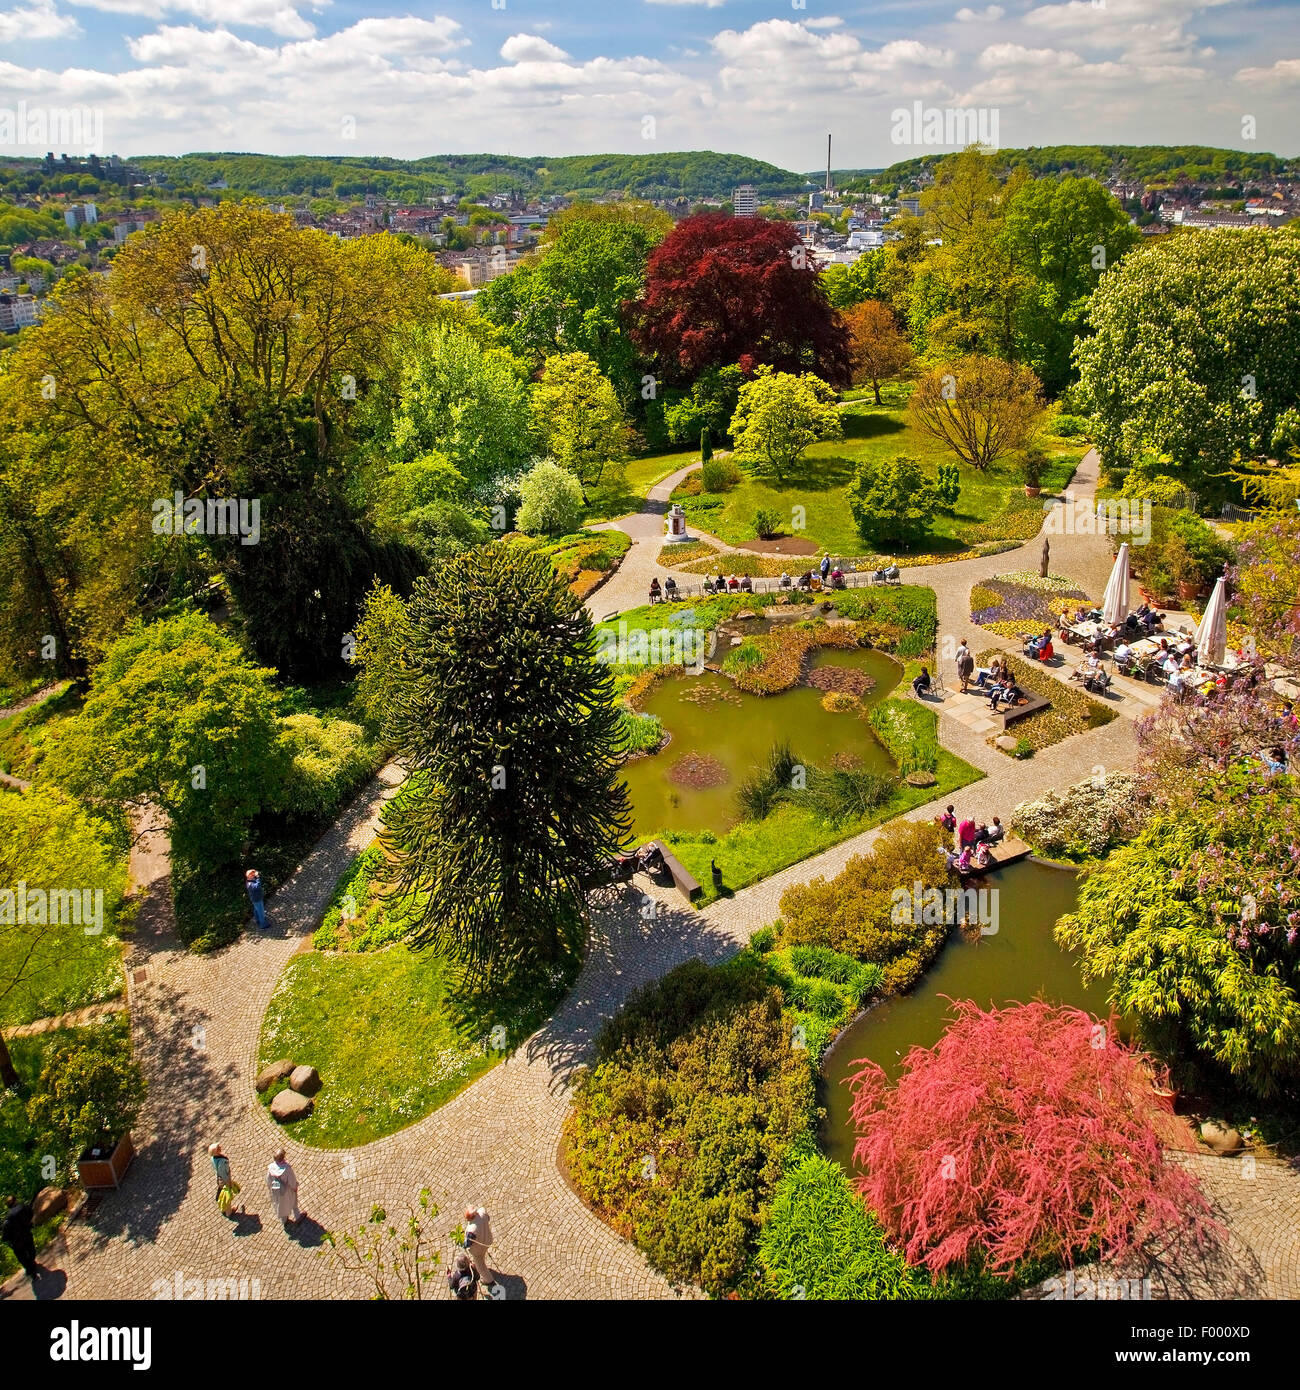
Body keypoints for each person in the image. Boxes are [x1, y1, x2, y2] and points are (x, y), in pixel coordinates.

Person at [2, 1194, 39, 1283]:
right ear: (16, 1201)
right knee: (31, 1251)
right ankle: (32, 1264)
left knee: (22, 1257)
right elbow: (31, 1213)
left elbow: (5, 1234)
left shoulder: (8, 1219)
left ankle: (31, 1270)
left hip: (17, 1242)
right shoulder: (23, 1207)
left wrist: (6, 1239)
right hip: (26, 1234)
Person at [464, 1207, 498, 1298]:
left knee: (480, 1266)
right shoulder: (482, 1211)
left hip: (478, 1249)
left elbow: (467, 1243)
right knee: (483, 1256)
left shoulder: (471, 1229)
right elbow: (488, 1218)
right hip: (487, 1240)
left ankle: (489, 1280)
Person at [266, 1149, 302, 1226]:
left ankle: (284, 1220)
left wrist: (270, 1188)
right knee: (293, 1203)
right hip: (287, 1191)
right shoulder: (286, 1168)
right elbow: (292, 1180)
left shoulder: (271, 1167)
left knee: (280, 1205)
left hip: (276, 1190)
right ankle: (298, 1217)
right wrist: (295, 1187)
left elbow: (268, 1180)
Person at [209, 1142, 242, 1217]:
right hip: (224, 1180)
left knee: (224, 1194)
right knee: (227, 1195)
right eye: (218, 1148)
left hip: (219, 1179)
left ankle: (225, 1208)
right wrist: (229, 1182)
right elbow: (224, 1174)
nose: (220, 1147)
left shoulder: (213, 1158)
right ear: (216, 1152)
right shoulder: (222, 1162)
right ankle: (229, 1212)